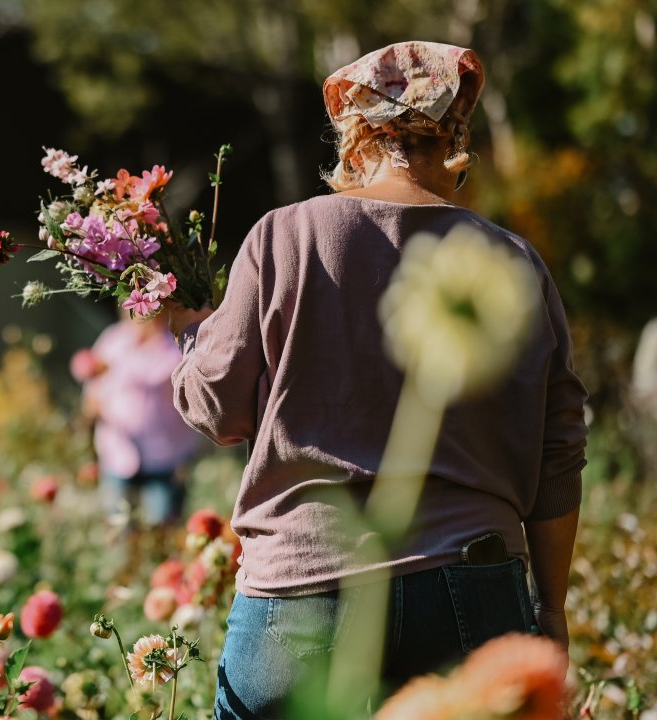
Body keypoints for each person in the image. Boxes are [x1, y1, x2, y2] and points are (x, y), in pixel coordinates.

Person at [166, 42, 588, 718]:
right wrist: (551, 609)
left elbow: (216, 410)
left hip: (301, 586)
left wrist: (192, 335)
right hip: (471, 580)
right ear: (457, 133)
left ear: (355, 134)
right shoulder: (512, 261)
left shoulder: (285, 236)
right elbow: (559, 447)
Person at [77, 311, 201, 546]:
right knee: (118, 530)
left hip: (163, 456)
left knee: (160, 529)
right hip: (118, 452)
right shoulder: (113, 340)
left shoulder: (175, 345)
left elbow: (166, 378)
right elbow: (92, 392)